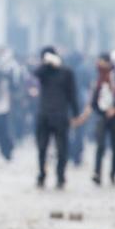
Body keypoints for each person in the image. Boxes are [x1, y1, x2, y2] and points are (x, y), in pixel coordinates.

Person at [78, 52, 115, 186]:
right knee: (100, 145)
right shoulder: (98, 76)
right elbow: (95, 95)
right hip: (101, 115)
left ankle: (113, 174)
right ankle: (97, 173)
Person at [33, 46, 78, 189]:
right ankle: (42, 174)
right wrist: (46, 64)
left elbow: (72, 95)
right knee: (42, 148)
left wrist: (75, 114)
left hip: (60, 115)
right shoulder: (44, 72)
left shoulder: (66, 72)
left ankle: (60, 176)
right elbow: (35, 74)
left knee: (62, 149)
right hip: (44, 115)